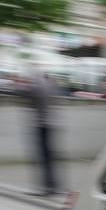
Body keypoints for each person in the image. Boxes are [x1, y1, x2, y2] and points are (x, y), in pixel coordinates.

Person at [26, 69, 59, 197]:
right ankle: (53, 186)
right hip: (51, 124)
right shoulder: (51, 86)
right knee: (50, 157)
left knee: (44, 157)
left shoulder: (39, 86)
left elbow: (31, 98)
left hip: (43, 125)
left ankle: (48, 188)